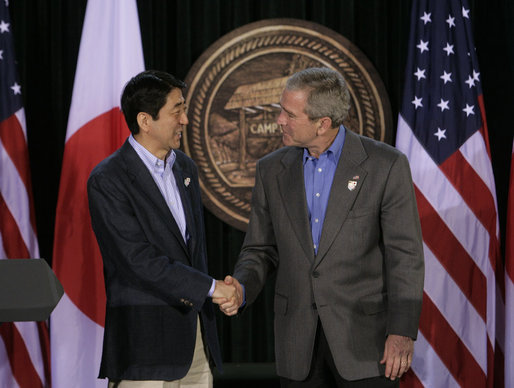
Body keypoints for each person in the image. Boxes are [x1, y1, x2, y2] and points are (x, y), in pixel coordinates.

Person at [221, 67, 424, 387]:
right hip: (297, 344)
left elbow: (405, 256)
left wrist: (401, 331)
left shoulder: (385, 164)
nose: (280, 121)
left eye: (289, 114)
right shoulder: (271, 169)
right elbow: (260, 248)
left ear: (322, 123)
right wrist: (242, 287)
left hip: (365, 345)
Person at [87, 70, 238, 387]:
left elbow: (191, 252)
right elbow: (137, 260)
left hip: (195, 342)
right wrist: (212, 289)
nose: (185, 120)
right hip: (145, 347)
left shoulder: (185, 167)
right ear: (145, 120)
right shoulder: (109, 179)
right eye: (177, 110)